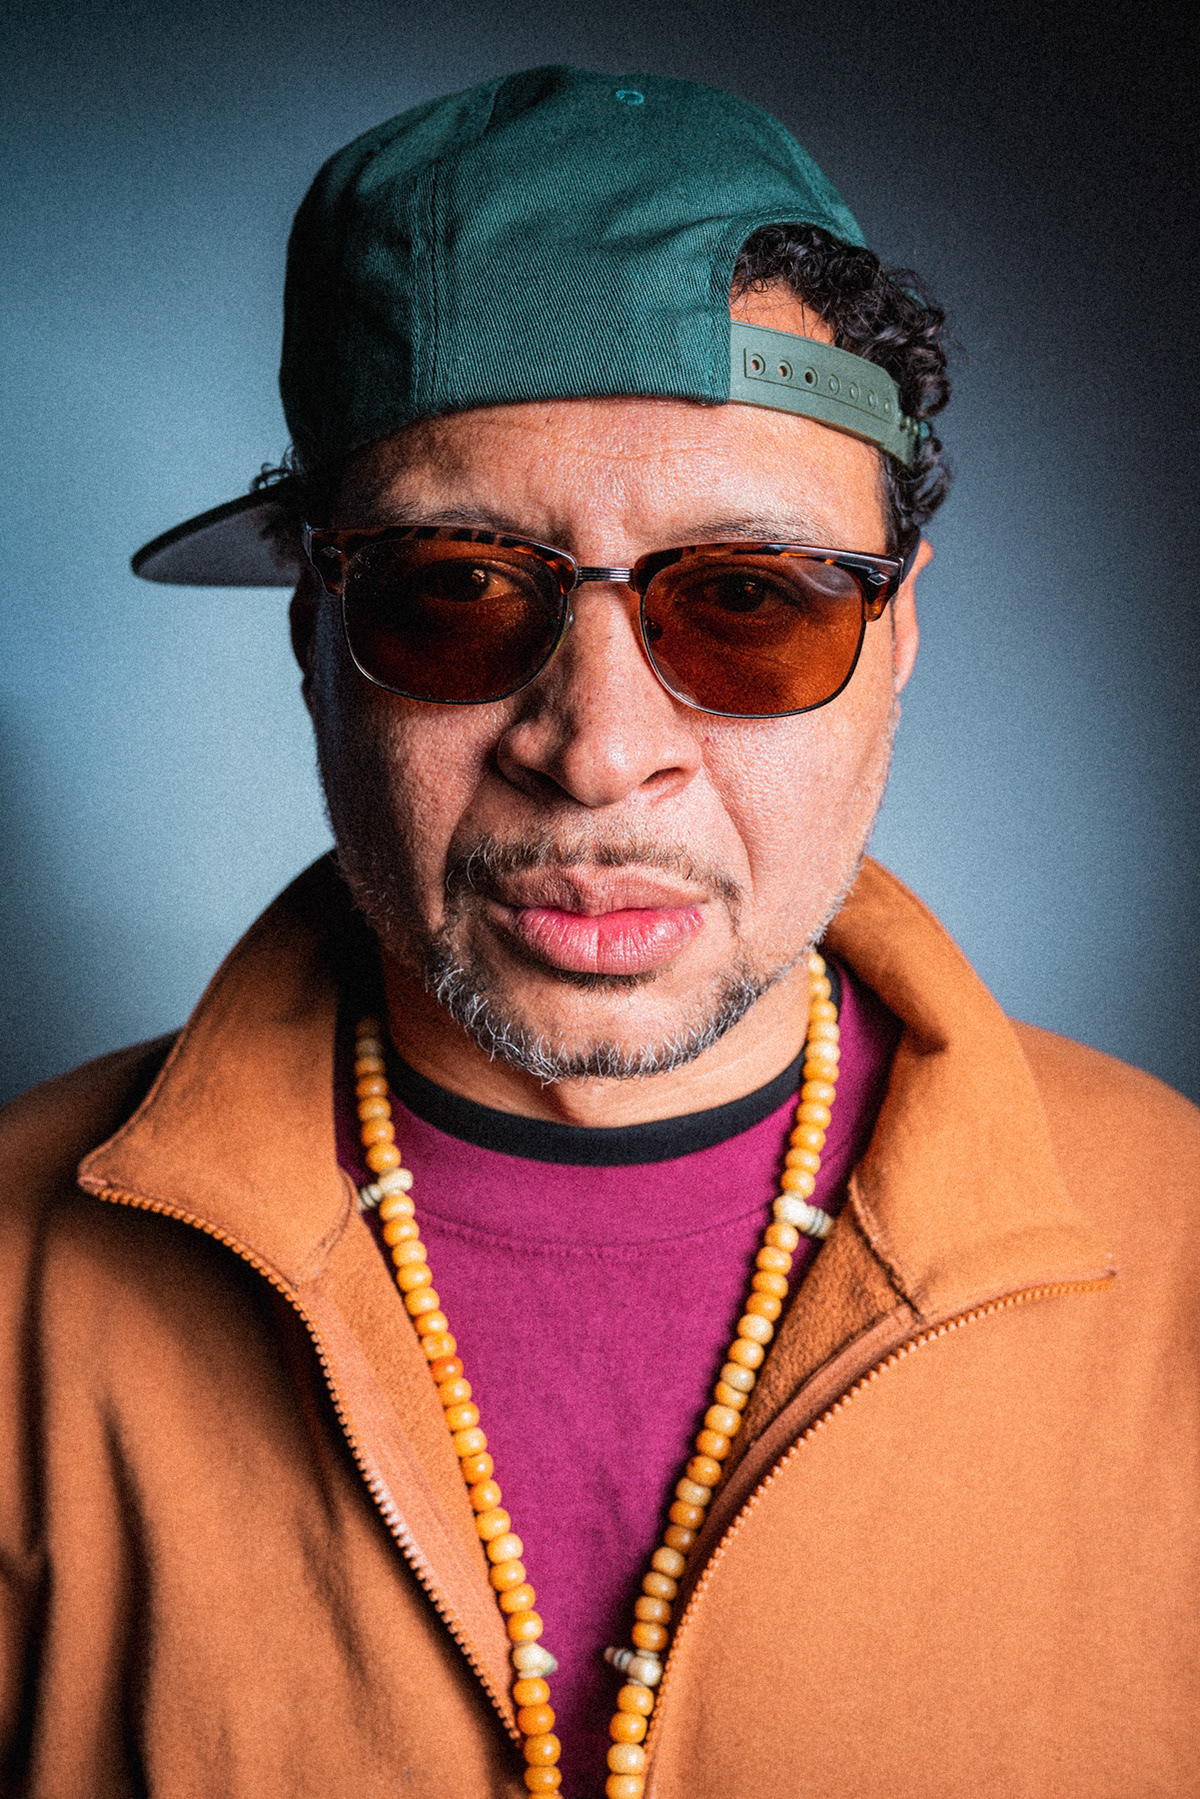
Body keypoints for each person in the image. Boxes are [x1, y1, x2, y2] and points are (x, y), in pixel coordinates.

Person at [1, 63, 1197, 1799]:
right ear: (313, 642)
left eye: (749, 599)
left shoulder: (1181, 1262)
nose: (600, 749)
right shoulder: (18, 1288)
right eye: (457, 590)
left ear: (900, 642)